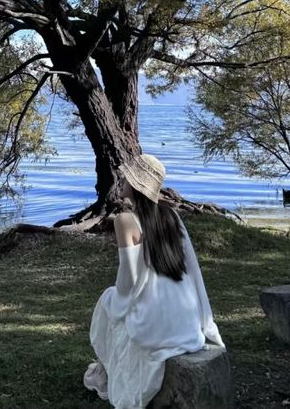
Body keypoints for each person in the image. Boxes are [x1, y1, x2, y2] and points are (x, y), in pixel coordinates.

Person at [83, 153, 225, 409]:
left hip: (155, 327)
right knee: (115, 303)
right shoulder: (171, 216)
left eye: (128, 174)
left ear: (136, 183)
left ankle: (104, 371)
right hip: (187, 324)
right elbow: (193, 271)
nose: (123, 177)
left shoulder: (125, 220)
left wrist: (117, 303)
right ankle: (105, 370)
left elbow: (129, 281)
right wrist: (205, 322)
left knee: (108, 299)